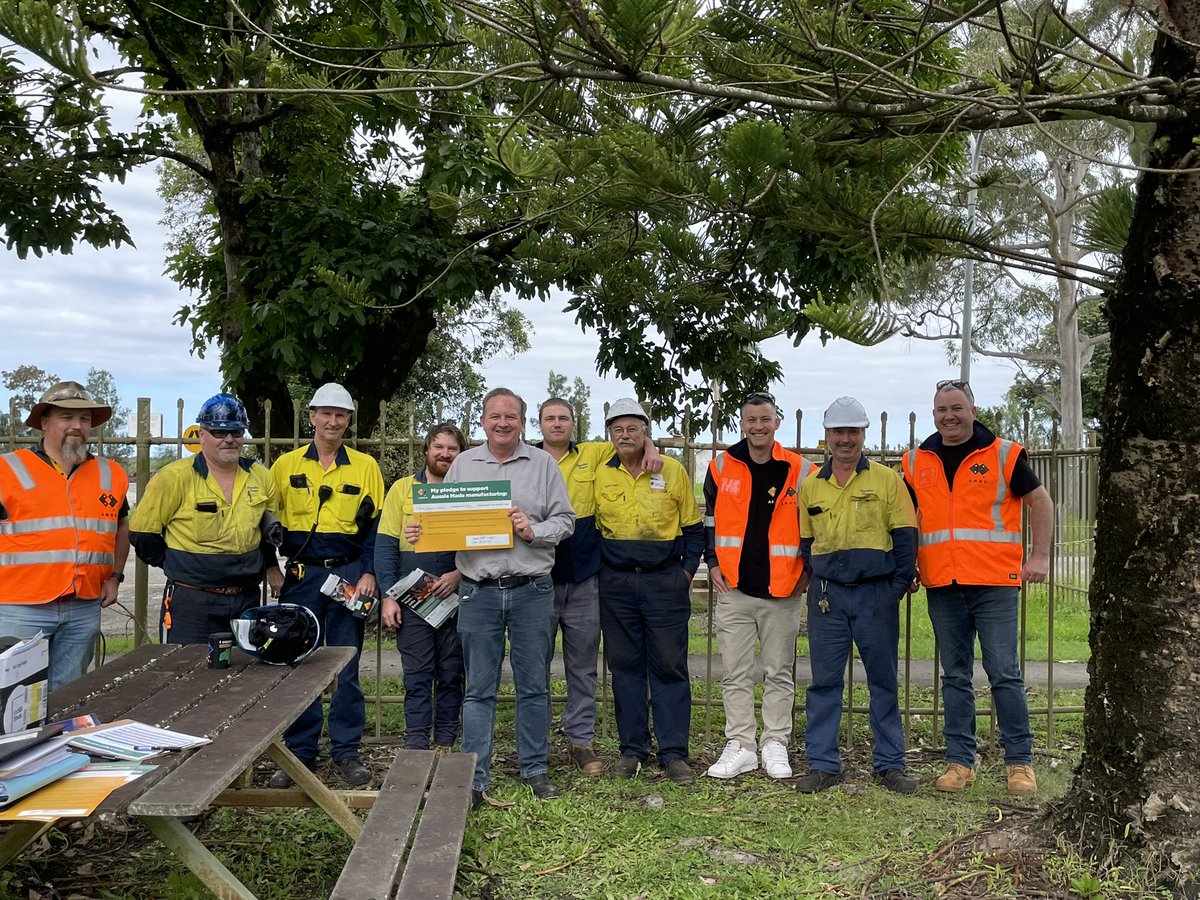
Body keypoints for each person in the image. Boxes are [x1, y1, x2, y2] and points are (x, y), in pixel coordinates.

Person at [407, 388, 574, 807]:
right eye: (494, 416)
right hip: (477, 592)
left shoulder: (543, 465)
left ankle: (534, 768)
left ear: (522, 422)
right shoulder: (463, 464)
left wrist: (534, 531)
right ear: (482, 422)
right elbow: (442, 519)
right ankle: (475, 777)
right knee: (478, 689)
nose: (503, 423)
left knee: (534, 686)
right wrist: (420, 531)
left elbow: (566, 520)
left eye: (511, 417)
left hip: (531, 590)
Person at [901, 380, 1052, 794]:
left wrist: (1038, 557)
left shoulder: (1004, 454)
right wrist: (910, 561)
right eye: (941, 409)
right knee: (954, 676)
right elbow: (910, 516)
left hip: (993, 584)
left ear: (972, 409)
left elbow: (1041, 501)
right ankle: (959, 762)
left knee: (1004, 673)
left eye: (956, 407)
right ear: (933, 414)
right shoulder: (916, 461)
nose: (949, 416)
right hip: (942, 583)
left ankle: (1020, 763)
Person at [796, 396, 918, 794]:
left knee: (882, 681)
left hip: (875, 596)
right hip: (828, 598)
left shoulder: (887, 481)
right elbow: (806, 543)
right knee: (824, 682)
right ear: (827, 436)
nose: (846, 439)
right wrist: (821, 583)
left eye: (853, 431)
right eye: (838, 432)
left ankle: (890, 764)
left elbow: (905, 540)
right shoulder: (811, 485)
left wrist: (894, 591)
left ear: (863, 434)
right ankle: (823, 763)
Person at [534, 397, 661, 776]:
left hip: (585, 577)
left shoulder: (595, 452)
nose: (557, 424)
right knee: (534, 666)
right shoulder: (527, 460)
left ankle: (580, 741)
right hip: (536, 578)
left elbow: (633, 440)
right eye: (550, 418)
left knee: (583, 666)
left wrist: (652, 446)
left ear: (574, 424)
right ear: (538, 424)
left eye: (564, 418)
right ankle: (536, 743)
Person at [268, 383, 384, 789]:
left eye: (341, 415)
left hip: (349, 575)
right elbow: (265, 524)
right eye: (326, 414)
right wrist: (271, 567)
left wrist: (369, 572)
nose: (333, 421)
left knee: (346, 666)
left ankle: (347, 753)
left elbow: (376, 528)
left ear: (348, 421)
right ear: (312, 416)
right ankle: (299, 754)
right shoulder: (285, 466)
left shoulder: (366, 467)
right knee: (299, 666)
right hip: (302, 577)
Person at [703, 391, 817, 780]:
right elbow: (709, 521)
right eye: (751, 419)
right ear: (742, 423)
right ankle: (741, 745)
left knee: (778, 672)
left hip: (784, 590)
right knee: (735, 672)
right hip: (734, 588)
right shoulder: (722, 466)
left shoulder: (802, 470)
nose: (758, 426)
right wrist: (712, 561)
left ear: (776, 422)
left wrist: (808, 573)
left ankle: (775, 743)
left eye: (765, 419)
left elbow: (815, 527)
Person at [592, 398, 704, 785]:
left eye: (633, 429)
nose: (625, 436)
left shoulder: (671, 470)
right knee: (624, 668)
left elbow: (693, 528)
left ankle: (674, 753)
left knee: (670, 667)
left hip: (664, 582)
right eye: (617, 429)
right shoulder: (598, 471)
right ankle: (632, 750)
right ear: (610, 434)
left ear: (646, 432)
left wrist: (686, 574)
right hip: (617, 583)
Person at [0, 381, 130, 690]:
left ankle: (62, 740)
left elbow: (121, 526)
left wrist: (115, 576)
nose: (76, 426)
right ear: (45, 423)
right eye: (66, 417)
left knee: (68, 694)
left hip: (83, 606)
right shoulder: (8, 469)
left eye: (84, 419)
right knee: (13, 697)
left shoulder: (110, 473)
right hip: (21, 605)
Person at [130, 393, 280, 644]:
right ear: (201, 434)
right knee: (189, 674)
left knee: (246, 676)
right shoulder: (173, 478)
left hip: (247, 599)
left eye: (236, 431)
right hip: (193, 603)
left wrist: (271, 566)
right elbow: (142, 535)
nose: (229, 439)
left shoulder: (261, 476)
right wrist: (180, 565)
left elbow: (264, 531)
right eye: (219, 432)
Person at [376, 422, 467, 751]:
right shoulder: (402, 489)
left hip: (456, 594)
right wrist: (388, 595)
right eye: (438, 447)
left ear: (461, 453)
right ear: (427, 449)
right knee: (417, 674)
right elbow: (385, 547)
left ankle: (444, 741)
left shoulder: (468, 491)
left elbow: (480, 543)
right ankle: (416, 743)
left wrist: (459, 573)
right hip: (411, 597)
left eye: (452, 449)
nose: (445, 454)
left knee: (452, 672)